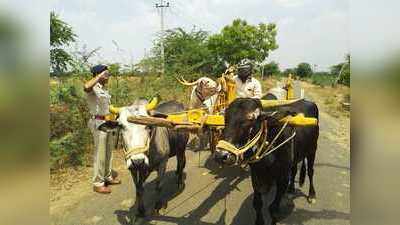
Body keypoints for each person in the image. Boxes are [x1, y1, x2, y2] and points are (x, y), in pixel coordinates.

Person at [84, 64, 121, 194]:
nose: (108, 77)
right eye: (106, 74)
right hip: (97, 122)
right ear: (98, 75)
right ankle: (98, 183)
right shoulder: (92, 87)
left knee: (108, 152)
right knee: (100, 153)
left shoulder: (103, 89)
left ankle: (107, 176)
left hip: (107, 121)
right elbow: (86, 87)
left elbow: (107, 107)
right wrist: (99, 76)